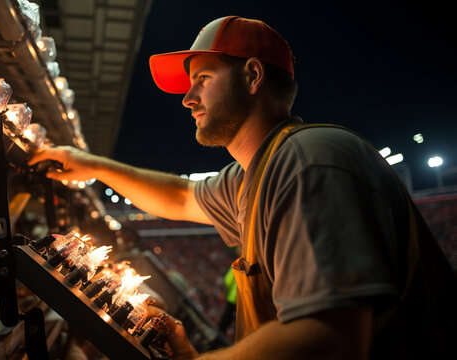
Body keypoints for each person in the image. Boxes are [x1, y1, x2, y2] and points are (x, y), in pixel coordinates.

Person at [29, 16, 457, 359]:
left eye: (203, 78)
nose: (188, 98)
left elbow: (328, 340)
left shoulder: (308, 161)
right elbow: (179, 196)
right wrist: (90, 164)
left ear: (252, 75)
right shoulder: (261, 170)